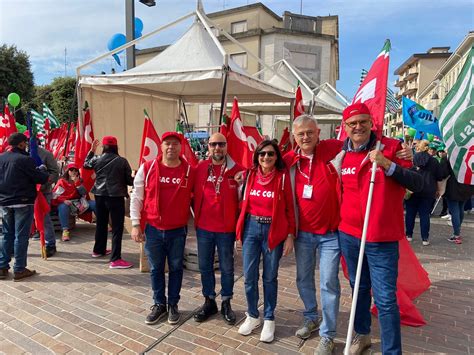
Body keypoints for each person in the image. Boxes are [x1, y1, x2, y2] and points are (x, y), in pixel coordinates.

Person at [333, 103, 423, 354]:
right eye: (352, 123)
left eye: (363, 121)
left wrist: (387, 163)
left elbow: (419, 184)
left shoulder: (392, 148)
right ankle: (362, 335)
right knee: (358, 290)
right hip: (349, 235)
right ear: (346, 127)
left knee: (385, 299)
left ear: (371, 123)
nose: (358, 127)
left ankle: (392, 351)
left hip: (381, 238)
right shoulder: (341, 153)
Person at [283, 115, 343, 354]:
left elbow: (366, 142)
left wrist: (399, 152)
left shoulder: (333, 149)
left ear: (318, 132)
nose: (306, 137)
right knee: (303, 278)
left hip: (331, 234)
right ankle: (311, 316)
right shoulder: (288, 161)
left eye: (310, 132)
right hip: (303, 234)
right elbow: (261, 167)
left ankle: (327, 335)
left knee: (328, 281)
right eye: (301, 134)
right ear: (294, 137)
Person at [130, 132, 196, 325]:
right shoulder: (148, 168)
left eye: (175, 144)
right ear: (161, 146)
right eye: (167, 144)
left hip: (177, 230)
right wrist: (135, 224)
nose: (171, 147)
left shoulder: (189, 171)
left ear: (181, 147)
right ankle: (159, 304)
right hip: (153, 229)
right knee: (156, 269)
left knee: (176, 268)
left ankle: (173, 304)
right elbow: (137, 197)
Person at [236, 139, 295, 343]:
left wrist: (290, 235)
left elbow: (289, 207)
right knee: (249, 276)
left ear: (277, 156)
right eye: (262, 154)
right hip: (251, 228)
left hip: (273, 229)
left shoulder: (283, 177)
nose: (266, 157)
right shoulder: (249, 174)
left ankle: (269, 318)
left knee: (270, 277)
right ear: (257, 156)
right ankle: (253, 315)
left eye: (270, 154)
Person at [193, 133, 243, 325]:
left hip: (226, 229)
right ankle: (209, 300)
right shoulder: (200, 168)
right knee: (205, 266)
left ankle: (226, 302)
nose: (217, 148)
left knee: (227, 268)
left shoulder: (237, 170)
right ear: (208, 147)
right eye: (213, 144)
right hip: (204, 228)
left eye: (221, 144)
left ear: (226, 146)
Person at [0, 133, 49, 281]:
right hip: (22, 201)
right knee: (20, 236)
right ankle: (19, 269)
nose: (26, 145)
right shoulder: (25, 159)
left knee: (6, 234)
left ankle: (2, 267)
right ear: (21, 144)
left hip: (4, 201)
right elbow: (41, 178)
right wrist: (42, 169)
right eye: (25, 143)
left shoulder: (1, 158)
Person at [84, 136, 133, 268]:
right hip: (115, 196)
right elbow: (130, 181)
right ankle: (115, 259)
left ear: (103, 147)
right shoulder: (122, 161)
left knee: (101, 223)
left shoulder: (96, 159)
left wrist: (91, 150)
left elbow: (86, 164)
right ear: (116, 147)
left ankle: (98, 250)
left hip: (99, 195)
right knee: (117, 227)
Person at [405, 140, 444, 246]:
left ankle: (409, 235)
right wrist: (439, 191)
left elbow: (406, 173)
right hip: (428, 190)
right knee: (425, 215)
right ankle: (425, 238)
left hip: (413, 190)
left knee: (410, 213)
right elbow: (439, 177)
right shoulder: (434, 161)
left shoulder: (412, 159)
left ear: (418, 147)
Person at [52, 163, 96, 241]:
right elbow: (55, 195)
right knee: (63, 207)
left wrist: (77, 183)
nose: (74, 172)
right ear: (67, 171)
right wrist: (64, 200)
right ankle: (65, 231)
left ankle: (104, 224)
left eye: (76, 170)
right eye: (71, 170)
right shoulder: (62, 181)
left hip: (78, 204)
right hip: (65, 203)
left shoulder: (80, 180)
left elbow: (83, 193)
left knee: (95, 204)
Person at [440, 157, 474, 244]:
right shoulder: (467, 156)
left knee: (454, 211)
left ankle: (456, 235)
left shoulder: (449, 157)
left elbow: (443, 173)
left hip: (453, 187)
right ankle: (457, 231)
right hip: (466, 186)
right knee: (460, 209)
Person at [34, 145, 59, 257]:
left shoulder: (46, 154)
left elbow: (54, 173)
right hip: (24, 191)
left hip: (43, 191)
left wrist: (43, 183)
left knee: (44, 218)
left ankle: (50, 244)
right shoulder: (19, 153)